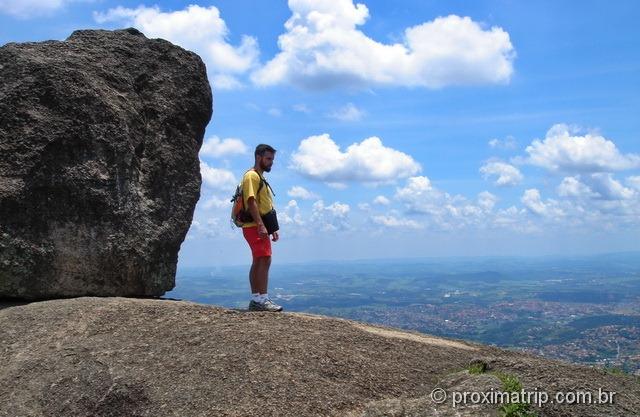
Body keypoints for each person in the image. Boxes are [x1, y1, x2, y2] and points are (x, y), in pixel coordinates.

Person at [242, 144, 282, 312]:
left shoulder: (259, 177)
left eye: (272, 159)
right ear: (258, 157)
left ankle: (256, 299)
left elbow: (264, 205)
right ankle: (262, 300)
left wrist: (271, 227)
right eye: (268, 159)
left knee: (259, 260)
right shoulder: (252, 176)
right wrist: (260, 224)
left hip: (257, 225)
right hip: (254, 225)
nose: (271, 162)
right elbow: (251, 201)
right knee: (264, 259)